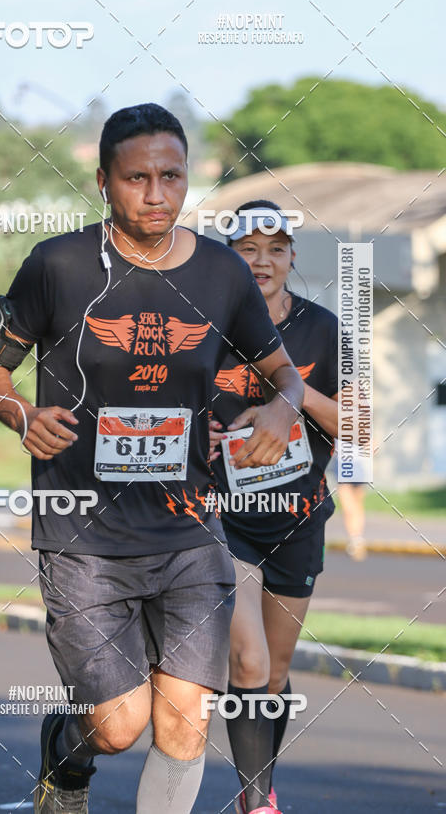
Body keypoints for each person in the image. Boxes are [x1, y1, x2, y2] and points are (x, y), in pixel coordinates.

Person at [0, 105, 304, 814]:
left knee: (183, 721)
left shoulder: (221, 272)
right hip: (82, 534)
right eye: (137, 177)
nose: (156, 194)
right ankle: (66, 764)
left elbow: (282, 371)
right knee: (118, 727)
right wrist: (20, 413)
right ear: (103, 182)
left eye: (172, 176)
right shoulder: (56, 264)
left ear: (189, 180)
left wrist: (283, 406)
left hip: (188, 529)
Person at [209, 200, 339, 814]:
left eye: (276, 249)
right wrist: (195, 435)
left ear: (292, 258)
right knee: (248, 656)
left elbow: (356, 427)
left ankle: (252, 786)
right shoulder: (205, 323)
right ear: (228, 257)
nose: (262, 260)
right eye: (247, 249)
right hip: (221, 514)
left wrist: (292, 390)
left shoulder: (324, 327)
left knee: (278, 672)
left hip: (298, 514)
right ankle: (260, 803)